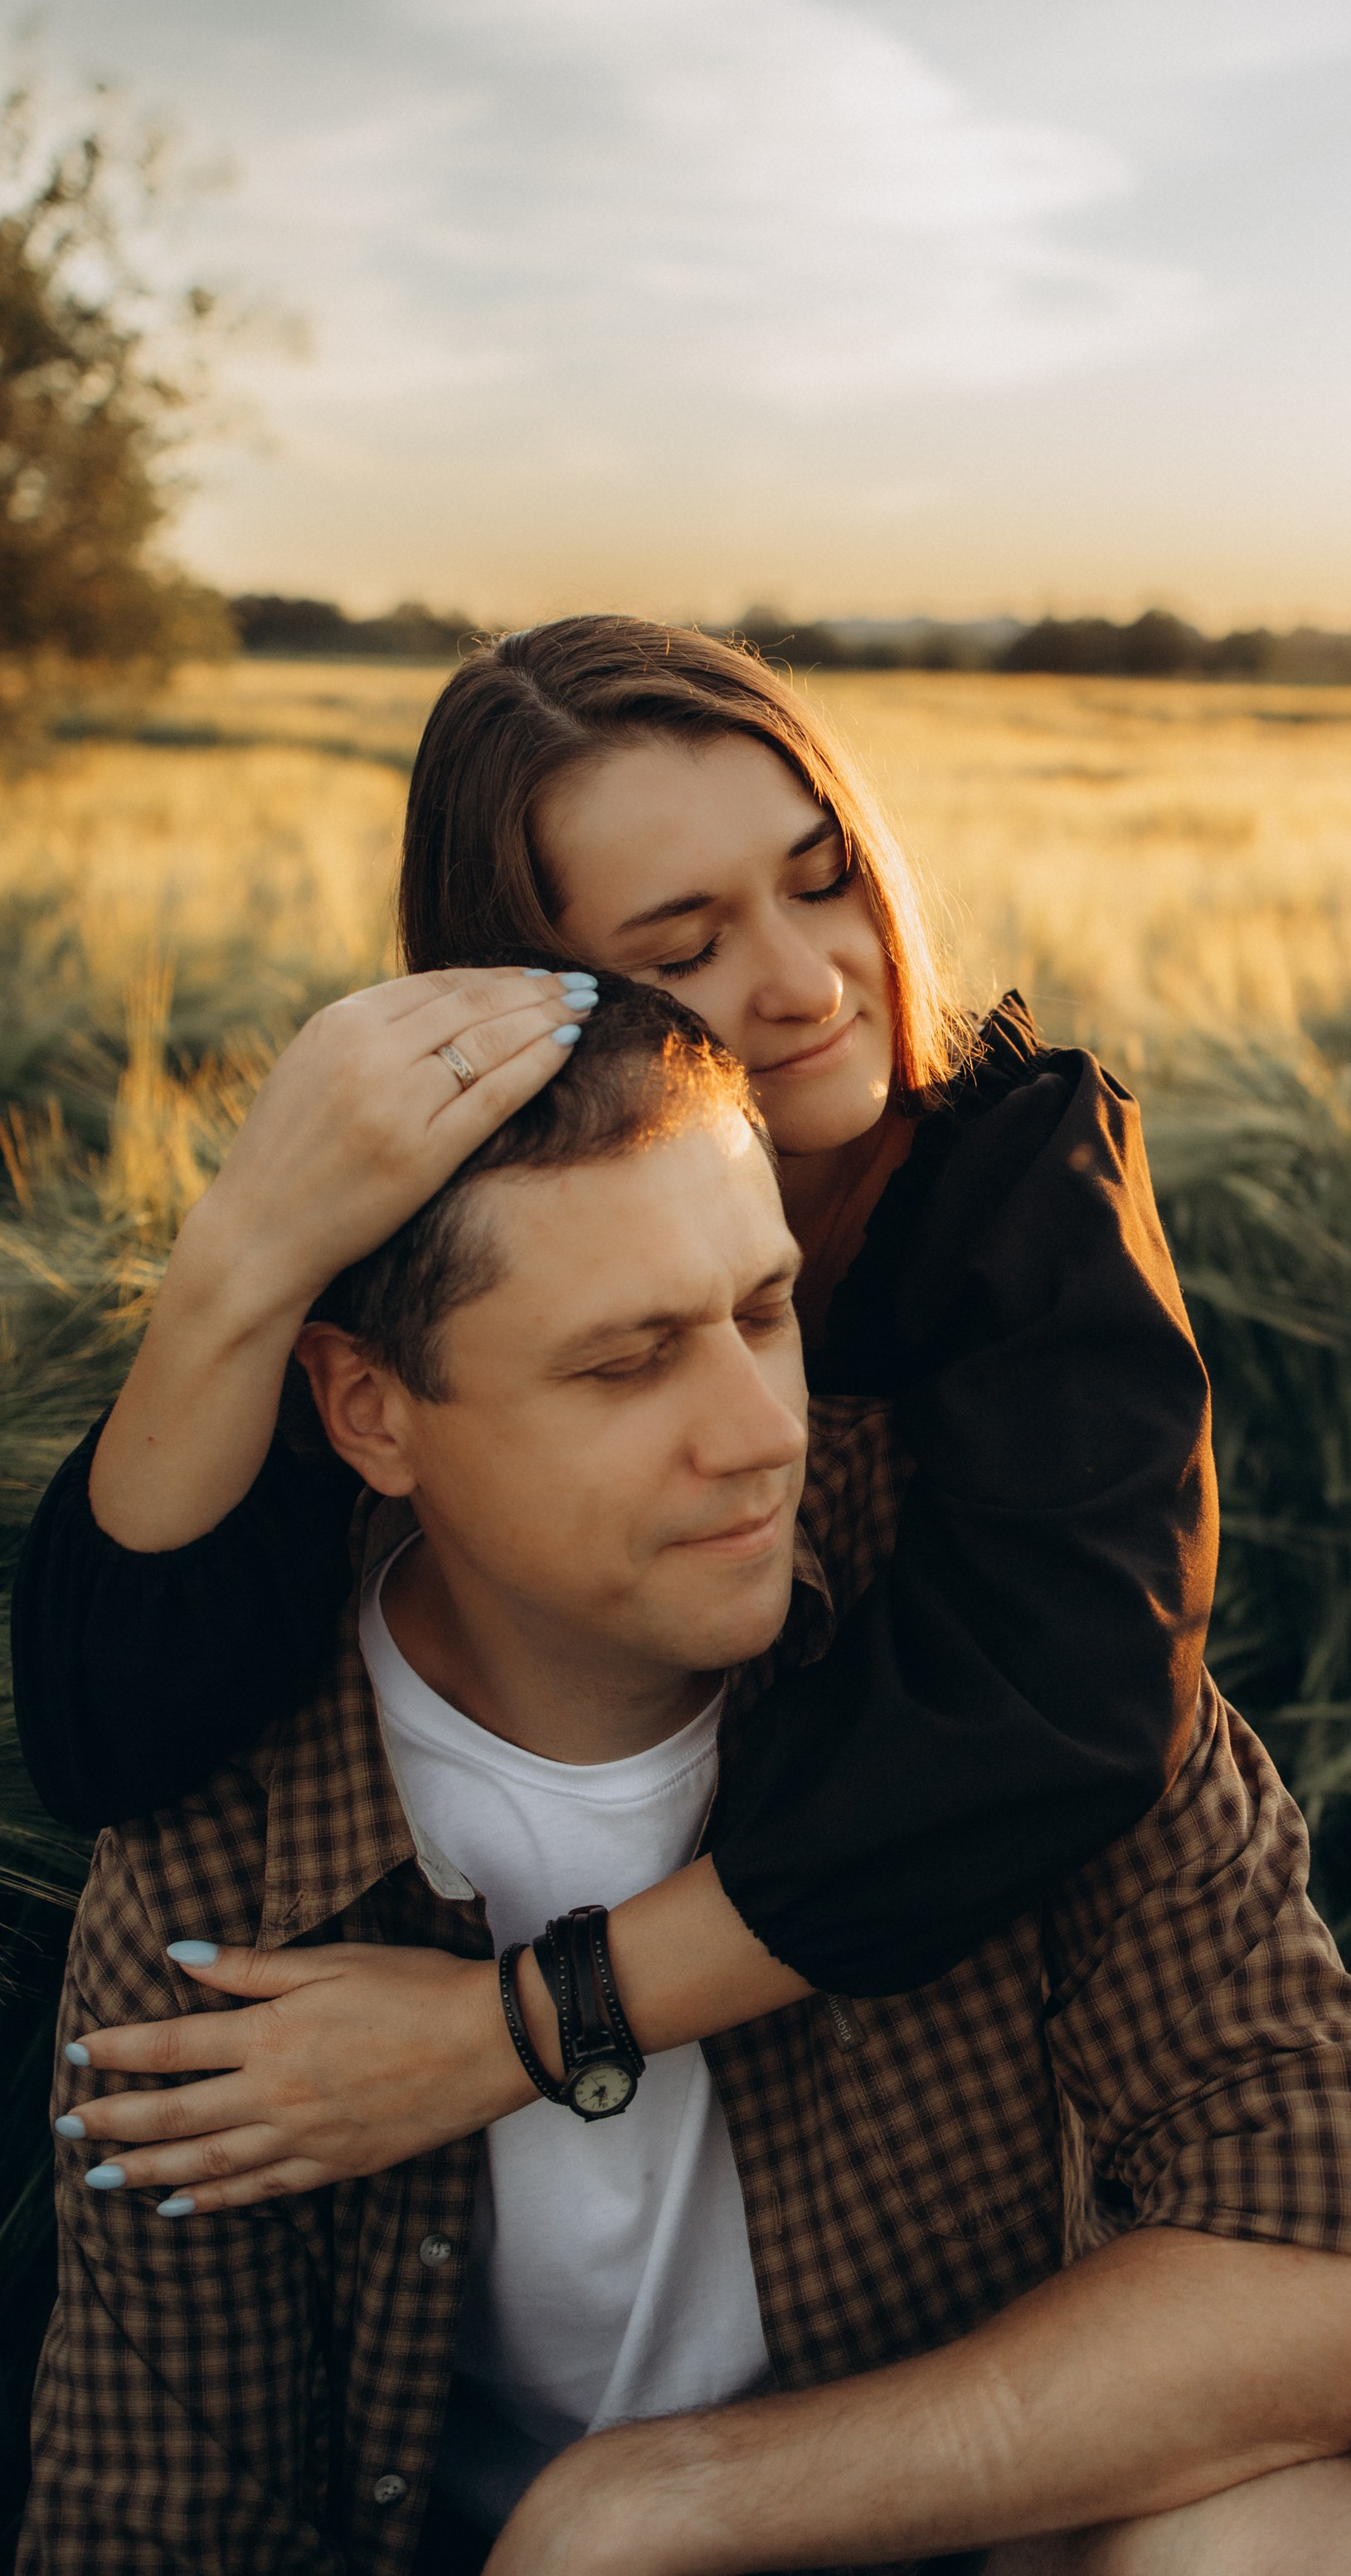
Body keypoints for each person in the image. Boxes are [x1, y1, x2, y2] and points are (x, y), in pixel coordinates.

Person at [24, 987, 1351, 2575]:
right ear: (371, 1410)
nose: (757, 1431)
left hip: (956, 2539)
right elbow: (156, 2528)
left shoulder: (1004, 1650)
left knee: (1273, 2526)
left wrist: (656, 2506)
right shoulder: (217, 1867)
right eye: (625, 1366)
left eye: (764, 1313)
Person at [12, 618, 1218, 2208]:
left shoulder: (1016, 1183)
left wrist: (502, 2033)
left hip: (903, 2124)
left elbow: (1055, 1715)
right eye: (684, 945)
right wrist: (244, 1253)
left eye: (820, 876)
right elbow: (118, 1730)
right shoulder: (461, 1248)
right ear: (534, 997)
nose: (803, 984)